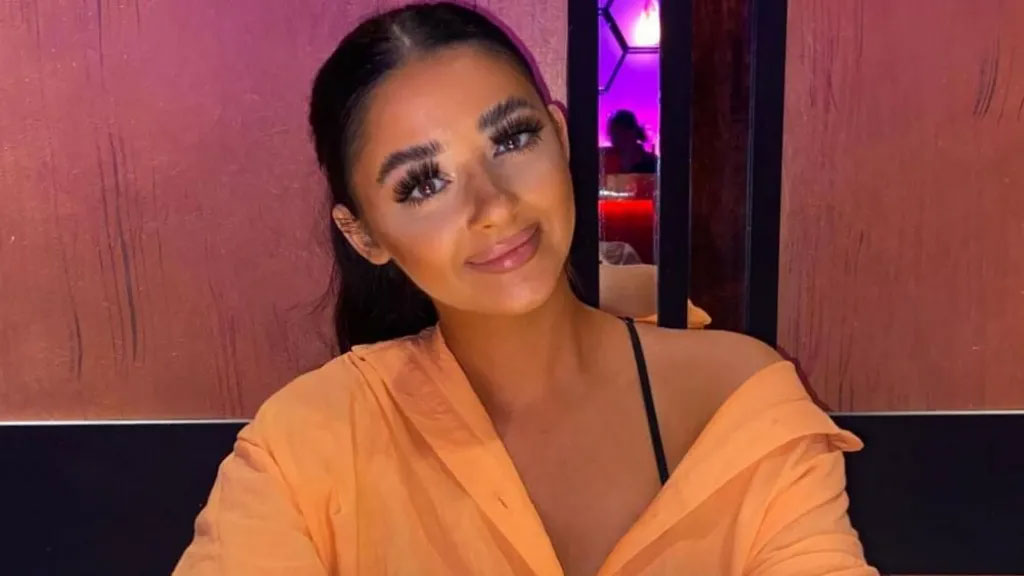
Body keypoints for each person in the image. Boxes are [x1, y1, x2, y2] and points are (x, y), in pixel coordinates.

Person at [174, 3, 876, 575]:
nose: (494, 206)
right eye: (424, 183)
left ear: (560, 136)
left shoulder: (740, 405)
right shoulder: (306, 446)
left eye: (511, 140)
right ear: (365, 236)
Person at [604, 110, 658, 174]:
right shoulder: (609, 162)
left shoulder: (652, 163)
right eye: (611, 134)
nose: (612, 140)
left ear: (632, 132)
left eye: (616, 133)